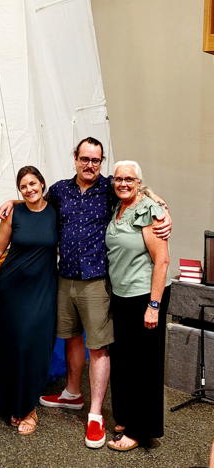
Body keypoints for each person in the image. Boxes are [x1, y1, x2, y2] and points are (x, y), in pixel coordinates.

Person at [0, 137, 171, 448]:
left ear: (101, 162)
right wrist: (14, 203)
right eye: (84, 159)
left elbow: (136, 190)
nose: (90, 165)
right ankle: (72, 394)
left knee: (99, 346)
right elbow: (35, 202)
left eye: (96, 160)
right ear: (75, 158)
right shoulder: (61, 190)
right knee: (71, 336)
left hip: (96, 281)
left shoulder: (109, 188)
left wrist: (160, 206)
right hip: (65, 278)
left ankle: (94, 415)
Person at [0, 166, 57, 435]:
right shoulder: (14, 213)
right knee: (12, 346)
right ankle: (16, 406)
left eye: (33, 183)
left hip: (43, 290)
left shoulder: (56, 211)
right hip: (12, 288)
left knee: (33, 346)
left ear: (42, 183)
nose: (29, 189)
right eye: (23, 187)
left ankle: (29, 408)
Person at [105, 160, 171, 451]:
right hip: (121, 297)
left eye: (129, 179)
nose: (123, 183)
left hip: (145, 297)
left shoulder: (149, 210)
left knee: (144, 368)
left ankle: (140, 431)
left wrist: (154, 305)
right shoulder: (117, 207)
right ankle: (125, 418)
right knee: (124, 363)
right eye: (118, 178)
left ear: (138, 182)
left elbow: (162, 261)